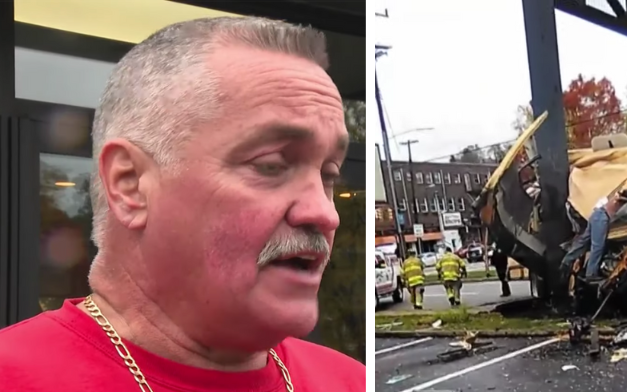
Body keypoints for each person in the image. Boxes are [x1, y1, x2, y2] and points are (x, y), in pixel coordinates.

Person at [0, 17, 365, 391]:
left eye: (328, 174)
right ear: (130, 185)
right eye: (271, 165)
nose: (324, 212)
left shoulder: (352, 381)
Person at [560, 194, 624, 284]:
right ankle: (591, 273)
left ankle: (566, 262)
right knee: (597, 246)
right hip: (602, 217)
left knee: (583, 242)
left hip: (597, 214)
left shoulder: (621, 195)